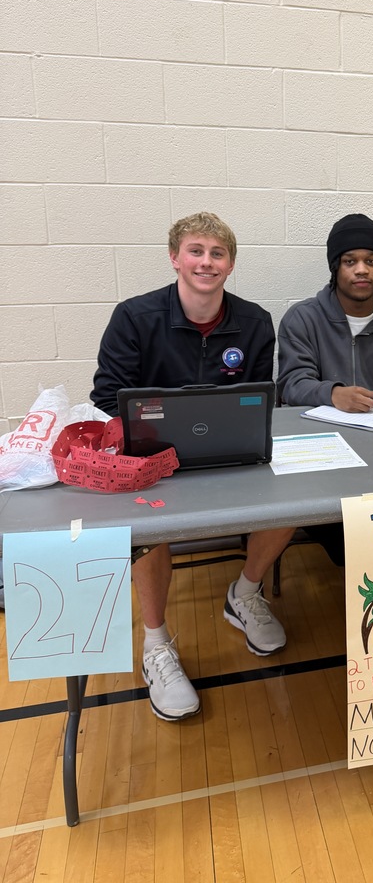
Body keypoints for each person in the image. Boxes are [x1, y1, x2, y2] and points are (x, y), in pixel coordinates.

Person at [92, 212, 290, 721]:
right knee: (146, 526)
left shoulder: (254, 321)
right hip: (153, 462)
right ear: (175, 257)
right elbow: (106, 398)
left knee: (293, 495)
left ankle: (243, 594)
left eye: (217, 253)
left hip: (228, 453)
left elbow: (259, 399)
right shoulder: (134, 317)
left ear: (231, 263)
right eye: (196, 251)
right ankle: (156, 643)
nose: (207, 262)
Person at [276, 213, 373, 562]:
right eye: (350, 261)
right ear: (336, 268)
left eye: (371, 261)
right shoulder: (303, 319)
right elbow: (291, 384)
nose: (361, 270)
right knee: (353, 547)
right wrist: (334, 394)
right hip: (323, 457)